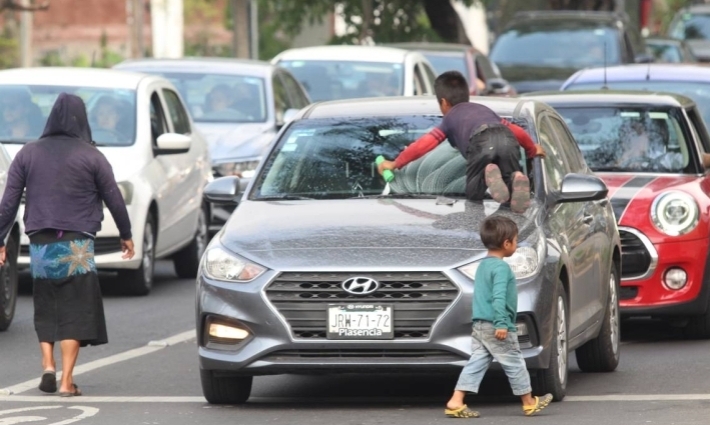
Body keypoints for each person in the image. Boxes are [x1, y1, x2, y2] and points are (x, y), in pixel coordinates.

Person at [0, 93, 135, 397]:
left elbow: (8, 202)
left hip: (41, 242)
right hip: (77, 245)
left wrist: (0, 239)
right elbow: (114, 197)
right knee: (75, 308)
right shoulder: (92, 156)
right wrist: (126, 234)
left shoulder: (28, 153)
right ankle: (66, 381)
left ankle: (48, 365)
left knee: (46, 302)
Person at [377, 71, 546, 213]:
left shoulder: (450, 119)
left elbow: (424, 144)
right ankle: (515, 178)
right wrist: (532, 149)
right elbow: (515, 130)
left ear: (443, 102)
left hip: (481, 142)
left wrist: (396, 163)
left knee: (473, 193)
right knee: (509, 179)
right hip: (506, 137)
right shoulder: (483, 110)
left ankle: (486, 177)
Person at [444, 215, 553, 418]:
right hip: (497, 325)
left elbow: (482, 296)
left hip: (480, 325)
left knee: (477, 362)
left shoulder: (483, 265)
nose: (517, 244)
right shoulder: (502, 268)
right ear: (506, 243)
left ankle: (456, 400)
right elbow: (498, 297)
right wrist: (502, 323)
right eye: (516, 240)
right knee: (514, 362)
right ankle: (529, 402)